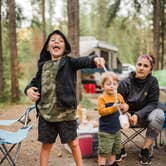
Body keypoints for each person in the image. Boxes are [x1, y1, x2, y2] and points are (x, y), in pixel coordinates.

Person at [24, 29, 105, 166]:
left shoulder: (69, 62)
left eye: (60, 41)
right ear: (47, 48)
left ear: (65, 48)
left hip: (66, 114)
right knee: (46, 146)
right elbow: (34, 82)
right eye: (53, 40)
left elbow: (82, 61)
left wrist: (94, 60)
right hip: (46, 114)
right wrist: (28, 90)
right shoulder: (43, 66)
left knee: (73, 143)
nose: (56, 42)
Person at [117, 54, 165, 165]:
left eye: (145, 66)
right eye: (139, 64)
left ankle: (145, 150)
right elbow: (119, 102)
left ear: (150, 69)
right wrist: (126, 113)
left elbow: (153, 103)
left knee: (159, 114)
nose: (141, 68)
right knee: (111, 114)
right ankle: (119, 148)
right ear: (136, 65)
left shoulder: (153, 82)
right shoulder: (124, 82)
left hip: (145, 116)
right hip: (126, 117)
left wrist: (138, 115)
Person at [97, 72, 129, 166]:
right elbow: (101, 111)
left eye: (114, 84)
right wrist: (113, 108)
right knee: (104, 150)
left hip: (117, 129)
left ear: (117, 85)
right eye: (108, 84)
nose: (112, 86)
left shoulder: (118, 96)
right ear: (102, 86)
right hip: (105, 130)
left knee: (115, 149)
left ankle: (112, 163)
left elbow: (125, 105)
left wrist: (125, 107)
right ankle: (101, 164)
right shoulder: (102, 98)